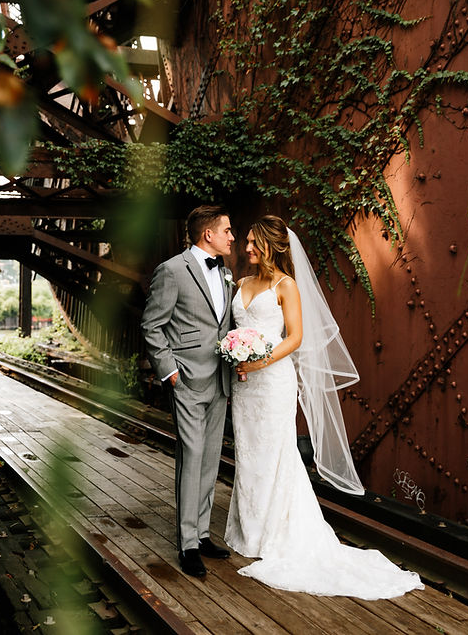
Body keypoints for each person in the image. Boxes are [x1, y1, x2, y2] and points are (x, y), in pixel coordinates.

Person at [226, 215, 424, 599]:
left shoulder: (287, 287)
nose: (246, 248)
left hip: (272, 382)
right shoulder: (242, 283)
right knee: (249, 454)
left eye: (253, 242)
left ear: (270, 245)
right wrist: (236, 354)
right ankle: (249, 531)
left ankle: (275, 535)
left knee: (276, 454)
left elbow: (296, 338)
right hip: (245, 385)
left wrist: (258, 360)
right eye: (245, 241)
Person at [141, 205, 235, 578]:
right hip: (187, 379)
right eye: (227, 230)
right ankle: (187, 545)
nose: (232, 236)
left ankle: (202, 533)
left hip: (221, 379)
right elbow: (152, 325)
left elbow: (221, 323)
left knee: (211, 459)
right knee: (191, 456)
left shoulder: (226, 273)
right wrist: (169, 372)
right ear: (207, 234)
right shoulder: (172, 270)